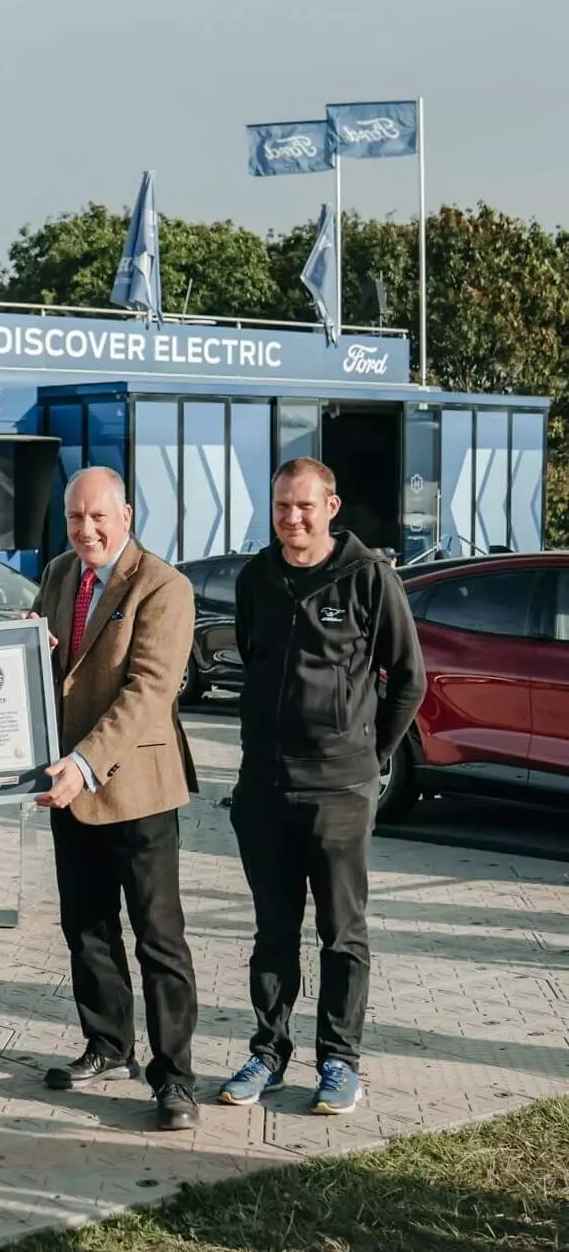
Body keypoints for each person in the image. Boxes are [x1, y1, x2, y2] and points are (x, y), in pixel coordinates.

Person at [218, 458, 425, 1116]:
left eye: (305, 506)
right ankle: (268, 1054)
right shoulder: (258, 578)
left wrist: (369, 757)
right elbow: (254, 660)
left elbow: (409, 678)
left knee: (342, 934)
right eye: (282, 506)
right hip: (265, 790)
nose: (292, 518)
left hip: (340, 791)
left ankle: (339, 1061)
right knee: (272, 932)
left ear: (331, 506)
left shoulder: (367, 577)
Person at [34, 466, 201, 1132]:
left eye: (98, 516)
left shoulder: (164, 586)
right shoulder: (57, 575)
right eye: (76, 518)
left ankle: (176, 1077)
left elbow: (148, 689)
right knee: (87, 927)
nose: (87, 529)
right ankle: (107, 1045)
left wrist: (83, 762)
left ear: (126, 516)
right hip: (67, 793)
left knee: (159, 938)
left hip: (136, 789)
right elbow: (43, 665)